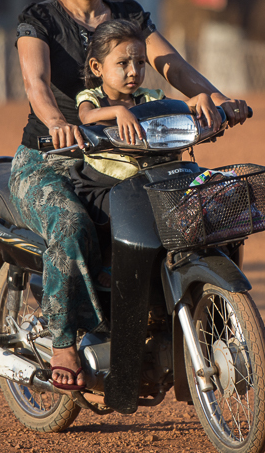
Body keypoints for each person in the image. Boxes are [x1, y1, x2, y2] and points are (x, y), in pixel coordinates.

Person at [10, 0, 248, 391]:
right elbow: (36, 83)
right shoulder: (39, 20)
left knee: (185, 216)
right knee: (71, 225)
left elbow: (174, 66)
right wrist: (59, 122)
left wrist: (217, 99)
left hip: (127, 159)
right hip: (52, 160)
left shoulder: (129, 17)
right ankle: (63, 342)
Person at [69, 19, 216, 290]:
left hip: (145, 181)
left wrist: (202, 99)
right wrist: (116, 112)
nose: (133, 71)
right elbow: (86, 117)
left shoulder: (149, 99)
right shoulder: (93, 97)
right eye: (122, 63)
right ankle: (108, 263)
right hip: (103, 183)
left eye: (140, 63)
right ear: (97, 67)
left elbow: (180, 106)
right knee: (122, 213)